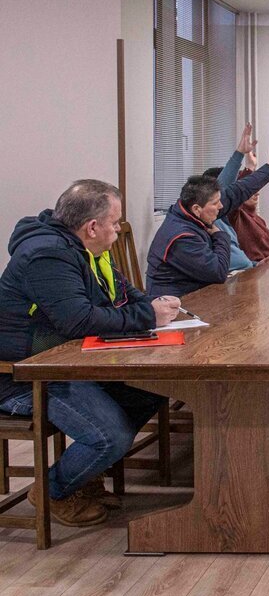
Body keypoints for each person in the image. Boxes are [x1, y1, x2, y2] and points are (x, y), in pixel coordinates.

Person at [0, 180, 180, 527]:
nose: (119, 229)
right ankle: (52, 491)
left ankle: (83, 477)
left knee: (150, 391)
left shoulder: (86, 249)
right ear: (92, 227)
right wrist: (148, 316)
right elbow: (78, 320)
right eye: (115, 222)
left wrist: (152, 305)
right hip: (25, 375)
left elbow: (123, 292)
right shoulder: (47, 255)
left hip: (67, 364)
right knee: (109, 436)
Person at [145, 141, 269, 298]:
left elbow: (238, 191)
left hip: (202, 293)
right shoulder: (181, 237)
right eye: (215, 203)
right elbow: (218, 272)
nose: (221, 206)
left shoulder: (197, 209)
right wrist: (220, 236)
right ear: (197, 209)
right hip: (177, 303)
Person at [202, 124, 261, 273]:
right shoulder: (219, 218)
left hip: (246, 272)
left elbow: (239, 258)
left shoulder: (223, 218)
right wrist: (246, 163)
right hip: (231, 280)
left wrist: (254, 264)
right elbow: (234, 190)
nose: (221, 204)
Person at [228, 151, 269, 262]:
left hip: (268, 266)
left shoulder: (259, 220)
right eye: (252, 191)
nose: (257, 193)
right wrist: (249, 168)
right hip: (253, 269)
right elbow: (236, 194)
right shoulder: (235, 217)